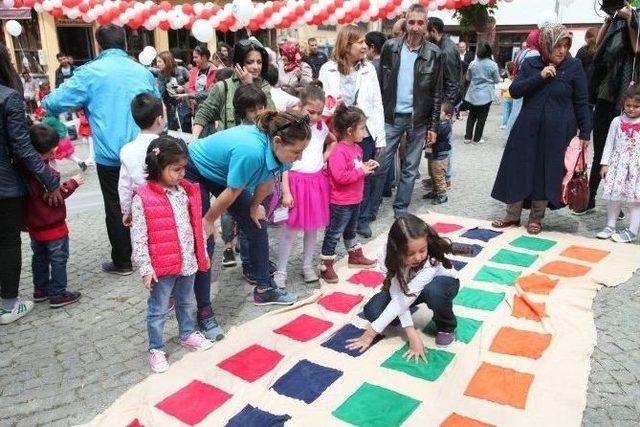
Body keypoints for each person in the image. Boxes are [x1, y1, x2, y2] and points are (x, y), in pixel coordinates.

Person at [43, 24, 160, 276]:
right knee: (151, 199)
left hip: (111, 155)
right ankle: (155, 254)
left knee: (116, 205)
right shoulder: (142, 72)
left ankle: (123, 261)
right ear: (125, 44)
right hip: (145, 148)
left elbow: (52, 103)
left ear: (99, 45)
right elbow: (158, 107)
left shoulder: (90, 73)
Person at [186, 111, 310, 305]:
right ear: (277, 141)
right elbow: (232, 192)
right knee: (205, 239)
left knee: (257, 224)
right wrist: (208, 220)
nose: (299, 157)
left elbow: (268, 179)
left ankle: (264, 289)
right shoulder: (252, 151)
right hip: (195, 168)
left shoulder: (281, 153)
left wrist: (254, 207)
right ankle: (203, 310)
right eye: (296, 152)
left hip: (225, 174)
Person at [491, 25, 592, 235]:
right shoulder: (531, 63)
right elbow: (515, 91)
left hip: (557, 132)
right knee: (519, 168)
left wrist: (585, 132)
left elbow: (582, 101)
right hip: (526, 130)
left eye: (566, 46)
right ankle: (512, 215)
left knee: (546, 173)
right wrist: (541, 76)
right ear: (546, 45)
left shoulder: (574, 66)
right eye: (557, 45)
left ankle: (536, 218)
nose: (562, 51)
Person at [130, 136, 213, 373]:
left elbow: (195, 225)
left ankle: (186, 333)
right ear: (158, 167)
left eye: (184, 168)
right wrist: (145, 267)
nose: (181, 173)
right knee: (158, 309)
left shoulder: (186, 191)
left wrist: (202, 253)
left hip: (187, 260)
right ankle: (156, 348)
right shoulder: (143, 197)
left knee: (186, 301)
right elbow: (139, 236)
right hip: (162, 265)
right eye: (176, 169)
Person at [0, 42, 61, 324]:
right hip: (5, 187)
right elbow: (23, 149)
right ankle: (9, 305)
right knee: (8, 244)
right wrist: (49, 180)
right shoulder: (8, 97)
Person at [345, 215, 461, 357]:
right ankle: (395, 317)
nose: (418, 258)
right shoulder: (385, 254)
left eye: (422, 250)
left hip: (441, 285)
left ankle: (446, 325)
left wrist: (408, 332)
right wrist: (408, 331)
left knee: (433, 292)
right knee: (373, 311)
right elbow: (398, 293)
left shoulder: (432, 260)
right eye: (410, 253)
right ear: (396, 250)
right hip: (408, 289)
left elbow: (406, 297)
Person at [368, 4, 443, 222]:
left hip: (418, 120)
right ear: (405, 22)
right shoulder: (390, 47)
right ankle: (370, 211)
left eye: (420, 23)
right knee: (380, 165)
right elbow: (380, 86)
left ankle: (401, 210)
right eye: (412, 22)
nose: (416, 27)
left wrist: (434, 127)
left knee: (410, 168)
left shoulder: (434, 53)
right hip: (391, 117)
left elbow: (436, 93)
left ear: (426, 25)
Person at [319, 24, 386, 239]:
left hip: (363, 131)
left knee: (363, 174)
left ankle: (361, 219)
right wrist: (332, 105)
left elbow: (377, 103)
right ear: (347, 45)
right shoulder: (327, 69)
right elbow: (321, 104)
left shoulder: (369, 69)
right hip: (336, 133)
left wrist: (380, 135)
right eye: (360, 42)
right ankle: (336, 215)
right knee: (337, 176)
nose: (365, 46)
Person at [274, 84, 336, 288]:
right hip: (295, 182)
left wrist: (324, 157)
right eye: (311, 112)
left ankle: (308, 265)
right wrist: (285, 190)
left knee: (312, 229)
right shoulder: (291, 127)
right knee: (290, 230)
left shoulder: (321, 128)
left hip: (316, 182)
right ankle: (281, 270)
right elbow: (283, 163)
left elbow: (332, 141)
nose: (315, 117)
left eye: (319, 113)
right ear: (300, 106)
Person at [582, 5, 640, 215]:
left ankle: (616, 202)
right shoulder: (616, 22)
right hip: (606, 94)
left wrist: (632, 18)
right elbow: (598, 48)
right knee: (600, 150)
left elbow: (636, 48)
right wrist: (610, 18)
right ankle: (589, 198)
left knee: (622, 152)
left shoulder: (636, 19)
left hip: (629, 98)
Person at [24, 124, 83, 308]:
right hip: (53, 225)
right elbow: (55, 196)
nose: (53, 155)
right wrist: (73, 182)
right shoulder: (43, 172)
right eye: (50, 153)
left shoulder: (23, 169)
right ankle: (58, 293)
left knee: (39, 257)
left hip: (34, 224)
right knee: (58, 258)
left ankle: (40, 289)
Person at [320, 104, 378, 283]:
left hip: (355, 199)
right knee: (334, 232)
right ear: (350, 131)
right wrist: (362, 172)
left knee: (351, 230)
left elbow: (355, 168)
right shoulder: (338, 151)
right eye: (362, 128)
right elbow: (340, 177)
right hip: (340, 201)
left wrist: (366, 166)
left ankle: (354, 256)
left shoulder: (357, 149)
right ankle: (325, 265)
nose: (364, 132)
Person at [219, 84, 269, 268]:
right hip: (239, 187)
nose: (258, 112)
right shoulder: (240, 134)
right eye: (252, 110)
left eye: (261, 107)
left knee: (254, 227)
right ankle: (249, 265)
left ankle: (255, 262)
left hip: (258, 186)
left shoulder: (264, 129)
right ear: (242, 111)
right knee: (247, 228)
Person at [192, 38, 274, 137]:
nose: (256, 67)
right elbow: (204, 113)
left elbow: (271, 117)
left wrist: (250, 85)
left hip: (257, 144)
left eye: (259, 62)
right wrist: (194, 139)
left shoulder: (264, 86)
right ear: (238, 64)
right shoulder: (223, 87)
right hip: (229, 146)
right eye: (250, 62)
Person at [596, 86, 640, 243]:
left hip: (636, 168)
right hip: (618, 165)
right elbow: (609, 143)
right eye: (628, 105)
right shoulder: (617, 121)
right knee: (614, 196)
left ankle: (633, 230)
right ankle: (610, 225)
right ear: (623, 104)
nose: (631, 109)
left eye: (636, 106)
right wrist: (604, 164)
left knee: (635, 200)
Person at [118, 94, 165, 226]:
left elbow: (124, 185)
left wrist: (126, 211)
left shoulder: (127, 150)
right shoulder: (166, 145)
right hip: (167, 205)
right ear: (160, 119)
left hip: (141, 208)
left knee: (143, 243)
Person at [504, 29, 541, 138]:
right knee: (518, 112)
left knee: (515, 111)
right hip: (525, 85)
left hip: (519, 83)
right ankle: (511, 136)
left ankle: (508, 135)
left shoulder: (524, 51)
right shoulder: (534, 53)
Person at [463, 43, 501, 145]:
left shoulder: (473, 63)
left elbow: (467, 78)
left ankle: (467, 137)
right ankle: (477, 139)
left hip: (473, 93)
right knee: (482, 117)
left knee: (471, 115)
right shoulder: (493, 65)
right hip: (486, 94)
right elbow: (497, 80)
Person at [423, 102, 453, 205]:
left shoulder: (445, 126)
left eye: (439, 113)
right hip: (433, 154)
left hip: (440, 155)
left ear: (448, 116)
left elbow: (437, 136)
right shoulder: (438, 124)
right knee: (432, 174)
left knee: (438, 175)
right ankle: (435, 191)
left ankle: (442, 194)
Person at [427, 17, 461, 105]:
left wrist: (446, 107)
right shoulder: (440, 46)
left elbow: (452, 82)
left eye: (425, 33)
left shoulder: (446, 50)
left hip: (444, 104)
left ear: (433, 31)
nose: (424, 36)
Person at [155, 51, 190, 132]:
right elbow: (160, 92)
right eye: (157, 61)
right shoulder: (161, 74)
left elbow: (191, 83)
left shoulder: (182, 70)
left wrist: (183, 87)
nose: (157, 64)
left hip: (183, 105)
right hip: (170, 107)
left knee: (186, 130)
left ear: (167, 61)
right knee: (172, 132)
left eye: (159, 61)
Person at [185, 46, 217, 113]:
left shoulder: (215, 71)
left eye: (196, 57)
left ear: (204, 57)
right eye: (193, 57)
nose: (193, 59)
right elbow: (191, 87)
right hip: (197, 107)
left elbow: (213, 91)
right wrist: (194, 99)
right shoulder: (193, 70)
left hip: (211, 107)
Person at [500, 61, 515, 130]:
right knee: (512, 110)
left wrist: (501, 94)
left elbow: (503, 89)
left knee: (506, 110)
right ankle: (511, 123)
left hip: (506, 96)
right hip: (513, 96)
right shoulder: (515, 79)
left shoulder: (506, 79)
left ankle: (505, 124)